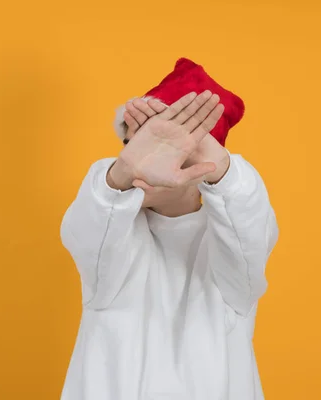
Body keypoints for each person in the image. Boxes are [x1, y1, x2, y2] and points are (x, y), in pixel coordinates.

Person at [59, 59, 279, 400]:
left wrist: (217, 163)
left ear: (201, 160)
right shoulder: (111, 240)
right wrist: (120, 174)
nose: (146, 162)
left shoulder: (231, 254)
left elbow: (249, 226)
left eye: (166, 149)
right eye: (134, 146)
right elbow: (88, 227)